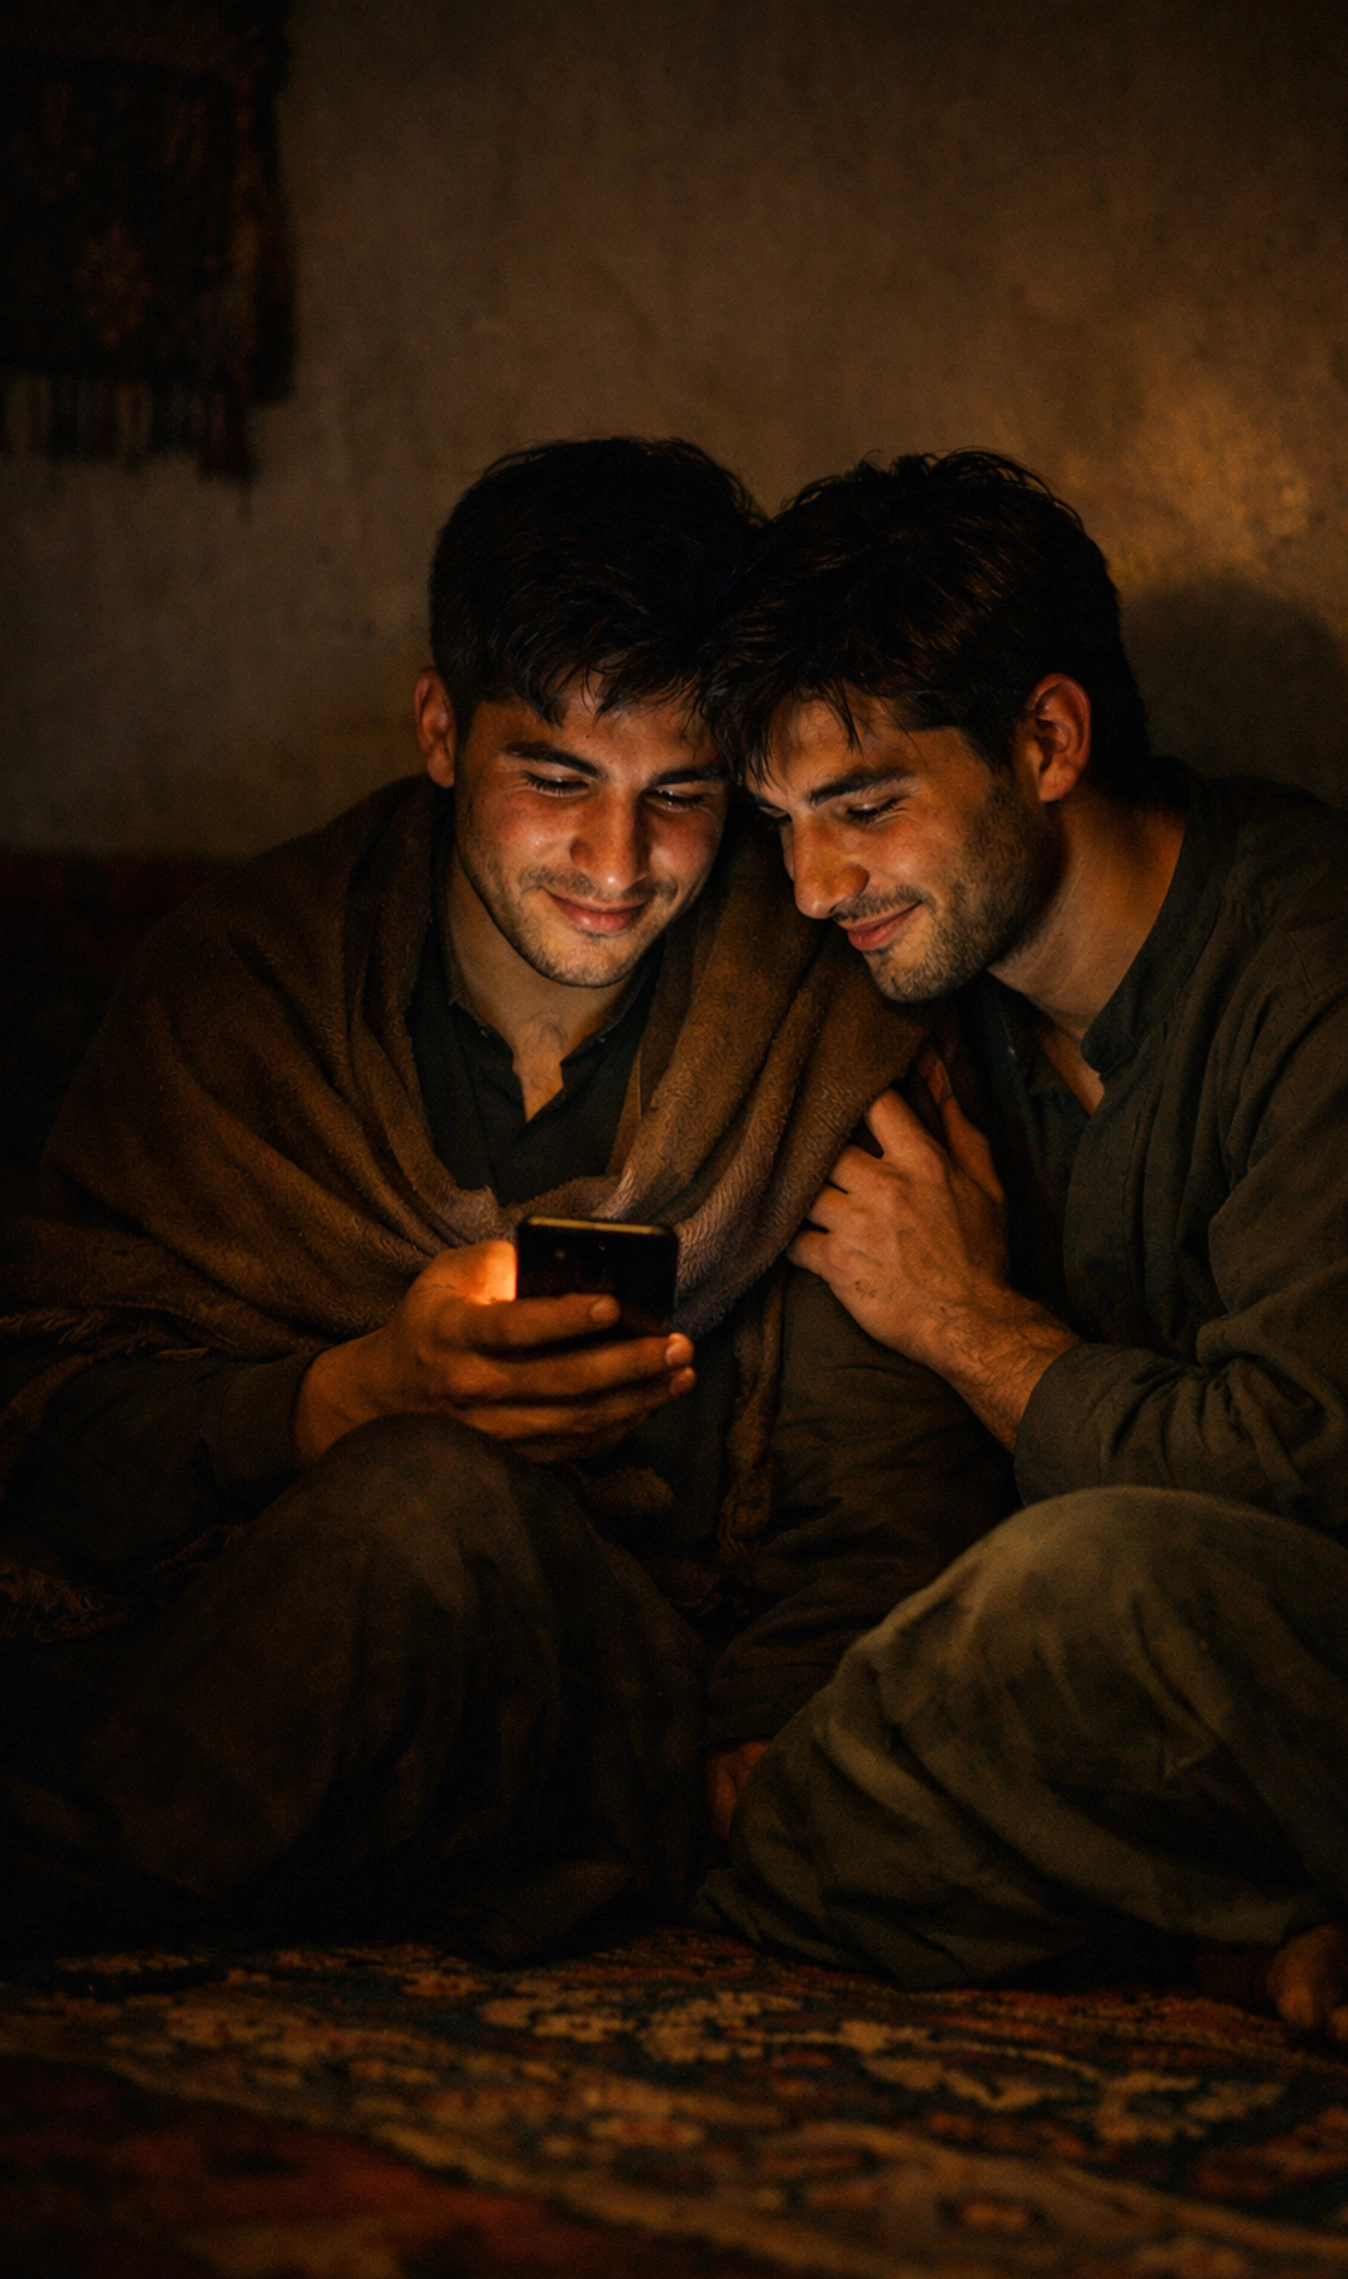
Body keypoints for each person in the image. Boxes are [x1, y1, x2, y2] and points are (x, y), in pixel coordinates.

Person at [0, 438, 1013, 1960]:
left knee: (433, 1502)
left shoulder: (814, 1022)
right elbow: (43, 1421)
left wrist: (762, 1791)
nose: (619, 863)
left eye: (680, 796)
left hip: (621, 1712)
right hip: (214, 1659)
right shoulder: (246, 987)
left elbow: (886, 1504)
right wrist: (334, 1399)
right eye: (557, 780)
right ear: (437, 728)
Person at [695, 450, 1348, 2041]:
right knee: (897, 1725)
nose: (813, 886)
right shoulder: (951, 1012)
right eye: (782, 824)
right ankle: (1253, 1937)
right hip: (1219, 1692)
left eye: (865, 808)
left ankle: (842, 1847)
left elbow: (1318, 1488)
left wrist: (968, 1326)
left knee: (1073, 1596)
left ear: (1051, 738)